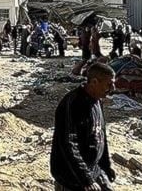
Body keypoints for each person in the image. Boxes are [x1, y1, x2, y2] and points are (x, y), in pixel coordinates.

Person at [50, 62, 117, 191]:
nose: (113, 88)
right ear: (94, 82)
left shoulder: (97, 100)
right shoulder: (73, 104)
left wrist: (106, 167)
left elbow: (100, 136)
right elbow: (68, 144)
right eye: (109, 84)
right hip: (72, 176)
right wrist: (85, 179)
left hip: (93, 169)